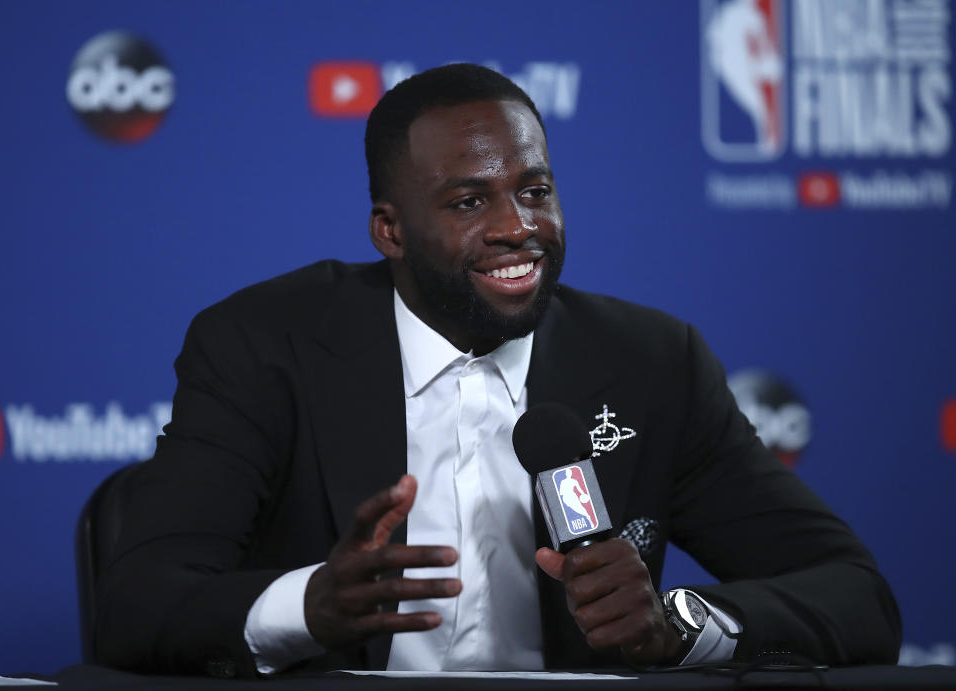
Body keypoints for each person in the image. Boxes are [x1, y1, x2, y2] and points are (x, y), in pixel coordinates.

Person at [94, 64, 901, 678]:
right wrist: (310, 604)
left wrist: (680, 621)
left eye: (535, 189)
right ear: (390, 230)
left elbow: (855, 593)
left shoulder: (652, 363)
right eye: (468, 202)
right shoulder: (266, 346)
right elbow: (137, 600)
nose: (519, 228)